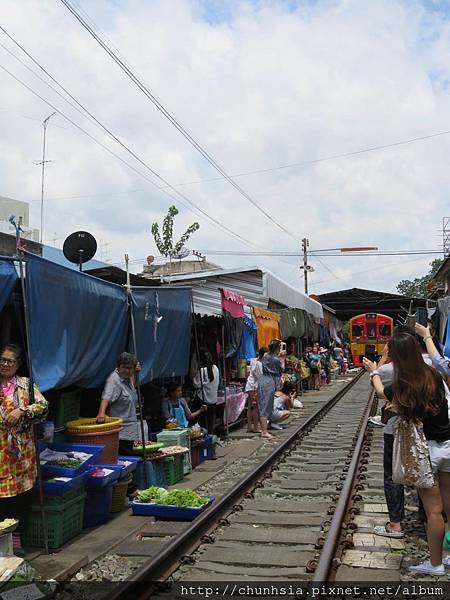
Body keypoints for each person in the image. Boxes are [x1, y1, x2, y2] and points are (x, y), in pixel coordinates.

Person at [364, 333, 450, 576]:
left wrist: (373, 371)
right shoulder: (433, 373)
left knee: (433, 511)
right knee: (449, 506)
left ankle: (435, 564)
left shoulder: (405, 382)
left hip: (427, 450)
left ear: (397, 356)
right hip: (448, 445)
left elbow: (381, 392)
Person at [0, 344, 48, 551]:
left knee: (20, 497)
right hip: (1, 451)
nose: (4, 364)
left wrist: (22, 410)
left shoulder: (25, 385)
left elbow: (43, 406)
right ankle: (2, 543)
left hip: (21, 454)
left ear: (18, 364)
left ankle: (16, 541)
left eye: (9, 361)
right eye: (2, 360)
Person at [96, 352, 143, 455]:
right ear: (118, 367)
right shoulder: (113, 380)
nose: (127, 371)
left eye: (130, 368)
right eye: (124, 367)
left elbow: (132, 387)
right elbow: (106, 397)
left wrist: (135, 373)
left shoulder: (127, 378)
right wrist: (101, 413)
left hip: (129, 432)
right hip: (120, 433)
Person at [258, 340, 283, 439]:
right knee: (266, 406)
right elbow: (280, 371)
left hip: (262, 380)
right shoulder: (275, 359)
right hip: (269, 382)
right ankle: (264, 431)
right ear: (277, 348)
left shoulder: (265, 356)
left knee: (263, 405)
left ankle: (264, 429)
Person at [193, 350, 219, 434]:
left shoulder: (202, 371)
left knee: (202, 424)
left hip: (204, 400)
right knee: (210, 422)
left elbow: (196, 384)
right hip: (213, 400)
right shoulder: (215, 368)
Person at [244, 348, 266, 433]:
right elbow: (260, 378)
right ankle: (256, 427)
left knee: (250, 407)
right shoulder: (259, 364)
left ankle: (249, 426)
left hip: (249, 385)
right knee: (255, 407)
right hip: (254, 387)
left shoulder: (253, 361)